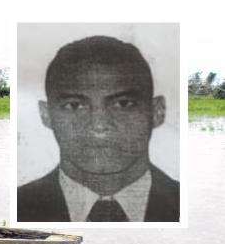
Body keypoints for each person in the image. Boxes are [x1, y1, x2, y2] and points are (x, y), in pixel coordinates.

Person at [17, 35, 179, 222]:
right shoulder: (16, 208)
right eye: (74, 105)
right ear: (46, 115)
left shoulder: (195, 207)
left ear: (156, 112)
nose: (99, 125)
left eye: (123, 103)